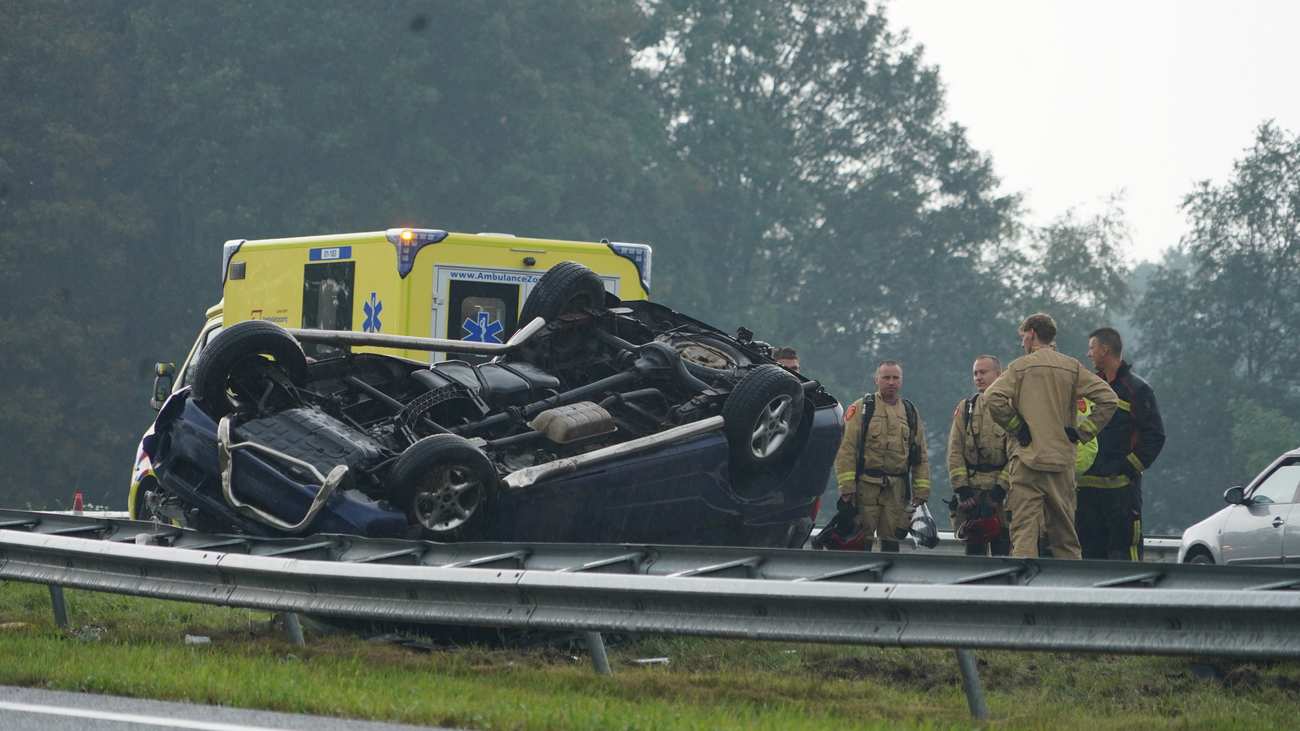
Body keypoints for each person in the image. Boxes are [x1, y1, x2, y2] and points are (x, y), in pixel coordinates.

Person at [984, 314, 1117, 559]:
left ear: (1032, 334)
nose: (1022, 342)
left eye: (1023, 337)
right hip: (1061, 463)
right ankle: (1069, 593)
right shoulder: (1072, 367)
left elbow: (993, 397)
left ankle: (1025, 593)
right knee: (1066, 538)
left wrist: (1017, 426)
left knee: (1024, 534)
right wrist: (1082, 432)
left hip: (1026, 462)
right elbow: (1109, 400)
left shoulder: (1019, 367)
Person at [1078, 327, 1166, 560]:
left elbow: (1155, 436)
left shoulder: (1137, 390)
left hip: (1121, 493)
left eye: (1092, 348)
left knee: (1124, 554)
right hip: (1085, 493)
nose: (1088, 354)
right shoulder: (1088, 388)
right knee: (1088, 557)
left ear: (1105, 349)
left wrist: (1127, 468)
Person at [832, 361, 931, 552]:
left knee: (892, 541)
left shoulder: (910, 412)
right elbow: (846, 450)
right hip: (865, 488)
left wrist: (922, 491)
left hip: (897, 490)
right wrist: (847, 487)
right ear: (876, 380)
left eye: (895, 378)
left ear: (901, 381)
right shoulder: (861, 409)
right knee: (861, 540)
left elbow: (920, 455)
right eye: (886, 377)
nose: (891, 382)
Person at [947, 355, 1012, 556]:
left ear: (999, 374)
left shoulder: (1011, 408)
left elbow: (1017, 453)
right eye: (975, 373)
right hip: (972, 496)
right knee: (973, 553)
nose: (978, 377)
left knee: (1003, 549)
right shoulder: (966, 408)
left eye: (983, 372)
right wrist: (962, 488)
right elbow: (955, 450)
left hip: (1002, 497)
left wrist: (1001, 489)